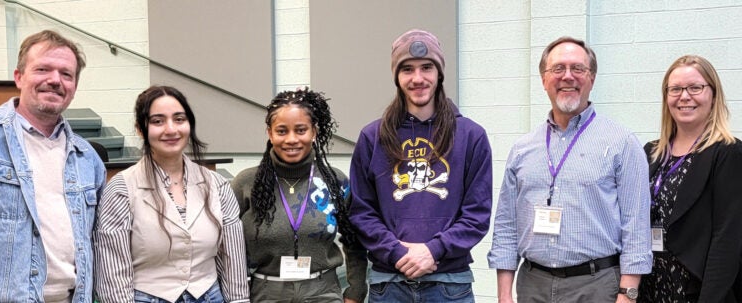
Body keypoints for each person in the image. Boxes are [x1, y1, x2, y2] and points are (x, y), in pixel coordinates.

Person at [487, 36, 652, 303]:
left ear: (592, 79)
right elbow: (507, 225)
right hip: (532, 286)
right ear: (543, 80)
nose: (568, 77)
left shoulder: (621, 143)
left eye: (578, 69)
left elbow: (636, 226)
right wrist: (504, 295)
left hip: (597, 287)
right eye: (558, 69)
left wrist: (628, 295)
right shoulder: (522, 149)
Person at [349, 29, 493, 302]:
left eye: (427, 67)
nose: (418, 78)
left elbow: (477, 214)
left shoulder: (471, 136)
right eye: (407, 69)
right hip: (388, 281)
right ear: (397, 77)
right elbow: (361, 211)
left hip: (449, 282)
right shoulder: (372, 137)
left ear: (439, 73)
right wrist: (396, 252)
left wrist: (434, 250)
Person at [0, 30, 105, 302]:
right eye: (43, 69)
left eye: (66, 74)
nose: (55, 80)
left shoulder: (88, 159)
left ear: (74, 86)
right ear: (19, 77)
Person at [94, 86, 249, 302]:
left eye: (179, 119)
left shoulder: (217, 185)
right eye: (158, 121)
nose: (171, 129)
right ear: (141, 129)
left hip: (209, 296)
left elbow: (232, 261)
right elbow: (113, 274)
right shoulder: (121, 189)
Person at [231, 88, 367, 302]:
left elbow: (354, 241)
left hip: (322, 292)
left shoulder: (335, 182)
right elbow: (226, 247)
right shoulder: (246, 184)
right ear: (269, 133)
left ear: (314, 131)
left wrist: (356, 291)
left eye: (301, 130)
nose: (291, 139)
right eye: (282, 131)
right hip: (266, 293)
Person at [639, 55, 742, 302]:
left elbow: (727, 239)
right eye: (675, 89)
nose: (685, 96)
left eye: (695, 87)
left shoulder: (728, 152)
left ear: (713, 95)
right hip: (651, 288)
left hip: (696, 291)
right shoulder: (651, 153)